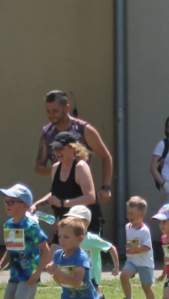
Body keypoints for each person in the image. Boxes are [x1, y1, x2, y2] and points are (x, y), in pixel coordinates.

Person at [36, 89, 114, 219]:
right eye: (48, 111)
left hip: (83, 196)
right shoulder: (47, 133)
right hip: (61, 196)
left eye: (55, 111)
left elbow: (106, 157)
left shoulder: (83, 129)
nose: (51, 115)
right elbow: (38, 168)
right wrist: (61, 168)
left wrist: (105, 187)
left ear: (67, 108)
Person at [33, 133, 98, 236]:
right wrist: (36, 206)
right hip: (66, 220)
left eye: (61, 148)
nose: (57, 152)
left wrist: (63, 203)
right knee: (54, 248)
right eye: (55, 148)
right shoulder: (55, 167)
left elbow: (90, 198)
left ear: (73, 148)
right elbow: (55, 193)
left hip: (84, 223)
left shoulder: (80, 167)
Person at [117, 196, 156, 299]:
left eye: (132, 214)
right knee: (123, 276)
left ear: (142, 215)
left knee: (146, 287)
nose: (129, 216)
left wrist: (135, 247)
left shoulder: (144, 230)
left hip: (145, 262)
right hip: (132, 261)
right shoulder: (127, 227)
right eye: (128, 213)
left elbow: (147, 247)